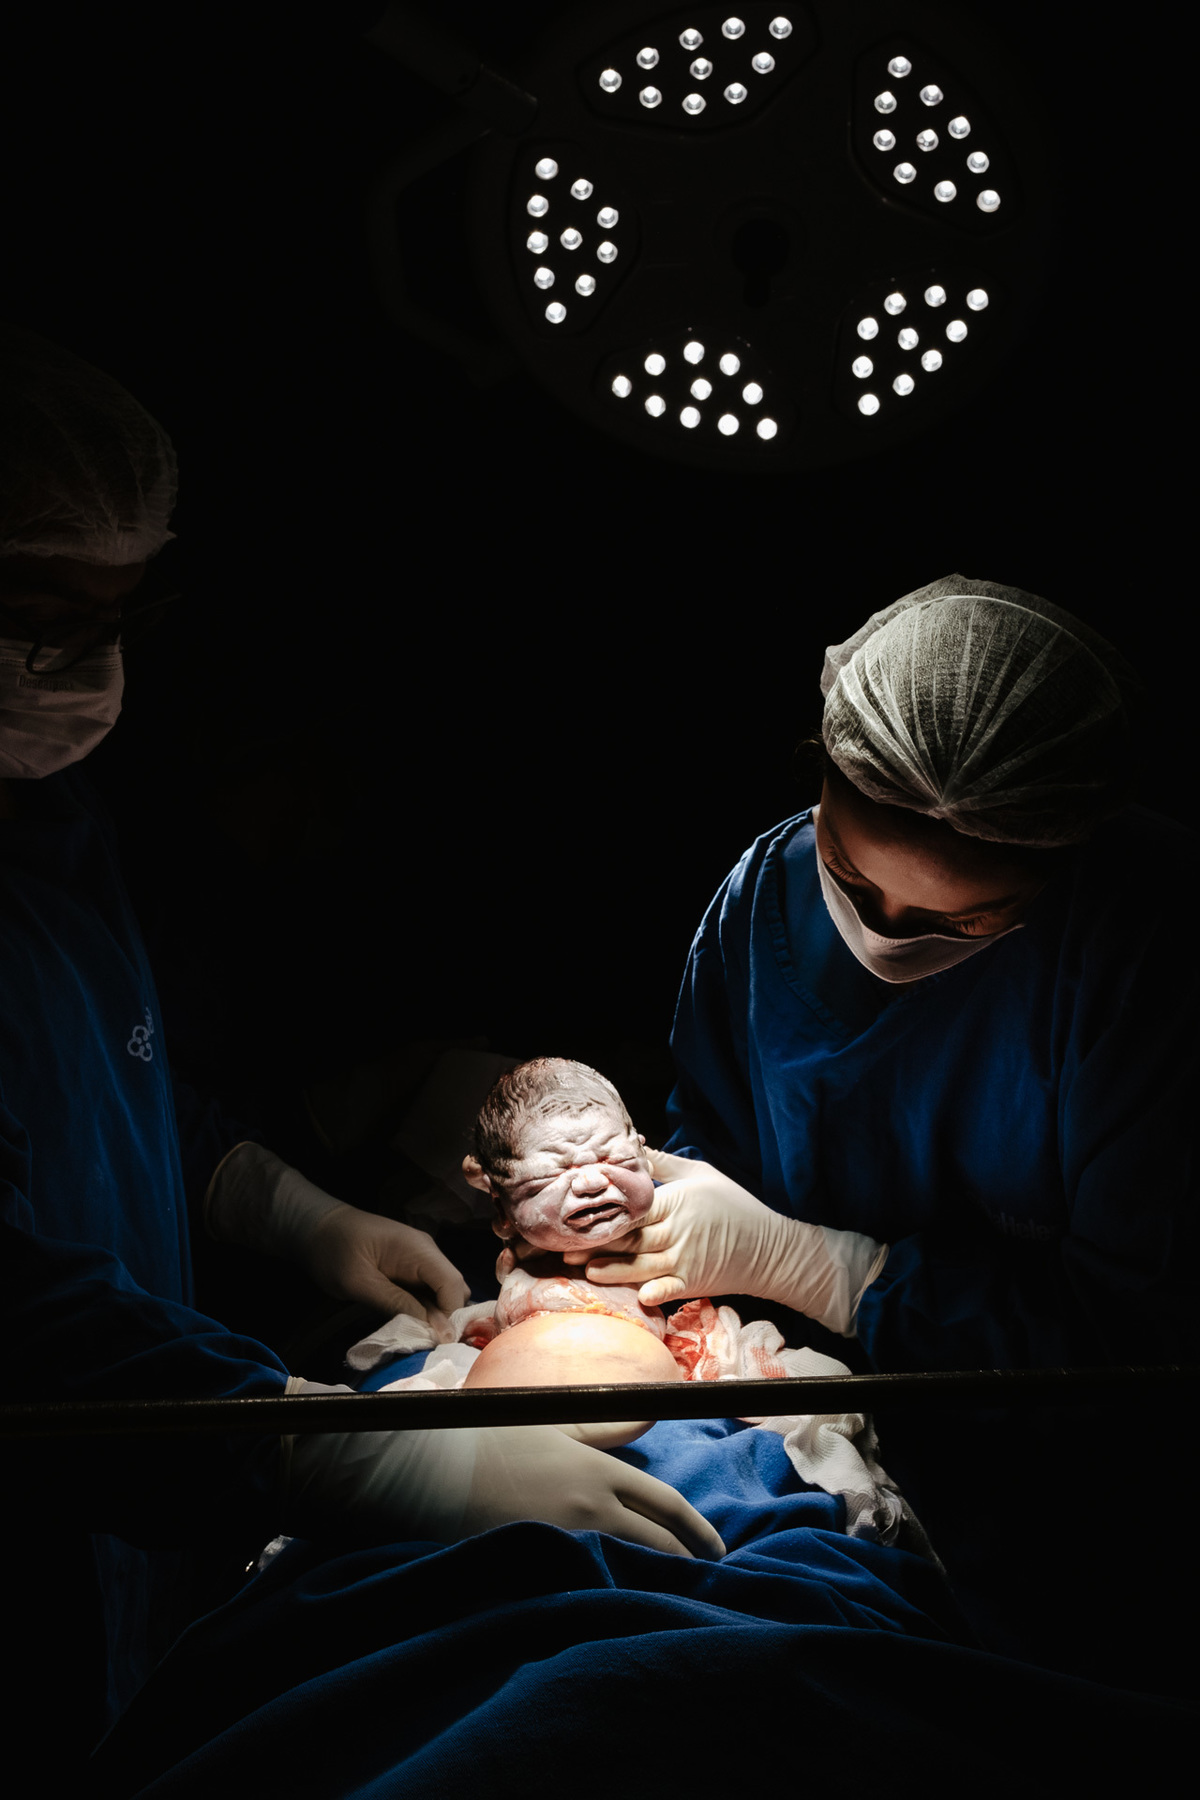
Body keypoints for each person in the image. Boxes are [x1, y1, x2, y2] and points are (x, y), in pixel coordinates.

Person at [0, 326, 720, 1778]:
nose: (93, 669)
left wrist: (275, 1202)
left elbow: (99, 1083)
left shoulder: (46, 814)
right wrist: (362, 1457)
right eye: (48, 621)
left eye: (123, 618)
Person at [560, 575, 1197, 1694]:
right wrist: (661, 1218)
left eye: (965, 920)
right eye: (852, 877)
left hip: (1068, 1508)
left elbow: (1140, 1351)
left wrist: (844, 1276)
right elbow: (714, 1144)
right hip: (806, 1439)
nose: (887, 935)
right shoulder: (763, 898)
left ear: (1067, 859)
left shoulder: (1152, 960)